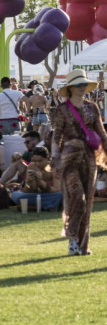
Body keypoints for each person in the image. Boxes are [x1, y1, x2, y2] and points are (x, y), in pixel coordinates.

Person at [49, 69, 105, 256]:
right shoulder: (62, 109)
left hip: (89, 157)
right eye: (78, 84)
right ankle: (73, 239)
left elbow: (101, 132)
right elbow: (56, 136)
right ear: (71, 87)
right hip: (69, 157)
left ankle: (83, 245)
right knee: (77, 197)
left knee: (87, 201)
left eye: (84, 84)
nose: (82, 87)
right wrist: (55, 158)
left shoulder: (92, 107)